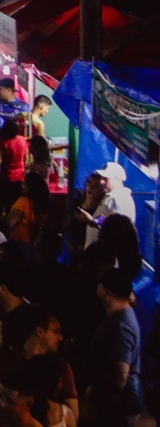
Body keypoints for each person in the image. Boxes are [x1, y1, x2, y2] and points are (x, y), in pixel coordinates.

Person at [82, 267, 145, 423]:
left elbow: (120, 374)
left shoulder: (121, 325)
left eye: (100, 285)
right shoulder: (117, 316)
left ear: (106, 292)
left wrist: (99, 398)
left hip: (119, 407)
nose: (97, 287)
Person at [77, 160, 136, 248]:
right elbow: (105, 219)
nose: (101, 181)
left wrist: (91, 222)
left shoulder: (120, 199)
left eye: (106, 178)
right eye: (102, 178)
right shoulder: (111, 196)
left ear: (117, 179)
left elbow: (118, 231)